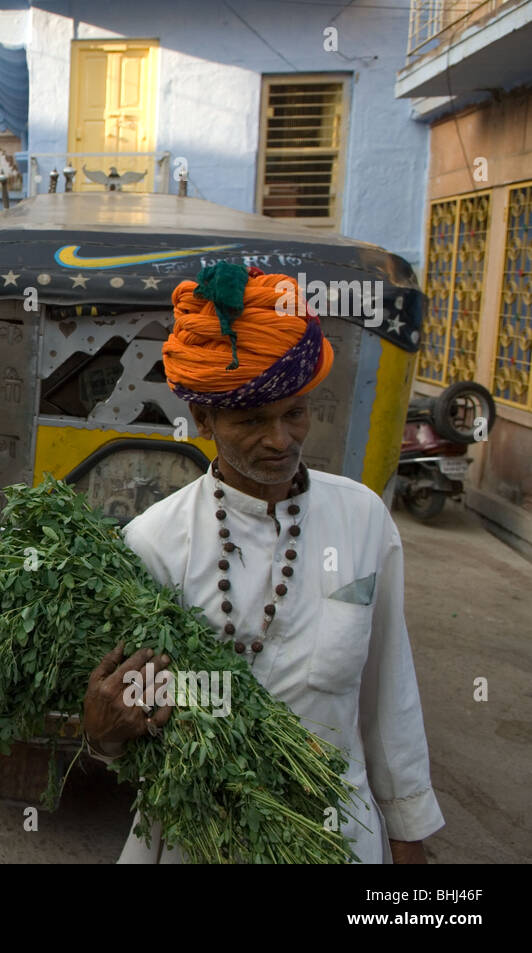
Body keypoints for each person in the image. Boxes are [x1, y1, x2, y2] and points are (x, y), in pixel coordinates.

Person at [81, 262, 444, 865]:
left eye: (294, 413)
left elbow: (389, 694)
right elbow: (130, 714)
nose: (280, 439)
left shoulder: (362, 520)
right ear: (204, 420)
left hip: (338, 836)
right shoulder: (154, 542)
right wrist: (102, 732)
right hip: (193, 838)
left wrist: (408, 834)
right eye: (252, 420)